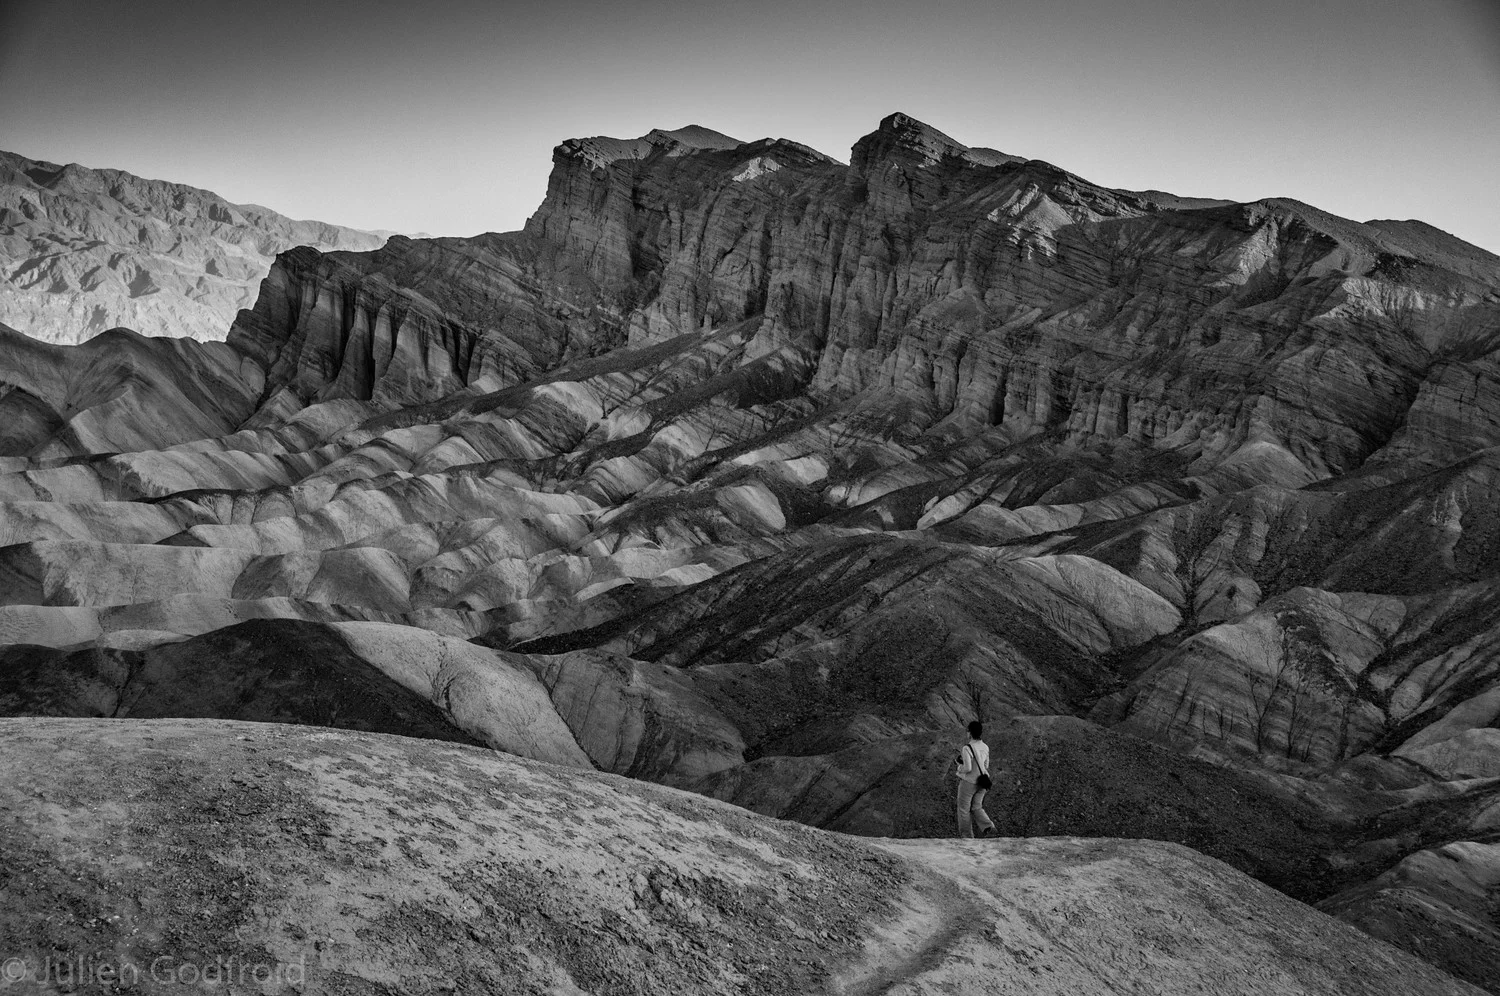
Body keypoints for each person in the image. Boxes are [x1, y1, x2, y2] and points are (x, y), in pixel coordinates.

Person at [954, 720, 996, 838]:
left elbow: (967, 768)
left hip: (969, 782)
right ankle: (988, 827)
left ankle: (967, 837)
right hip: (983, 781)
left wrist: (959, 766)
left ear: (969, 733)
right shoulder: (985, 747)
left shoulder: (967, 748)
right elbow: (986, 765)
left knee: (963, 809)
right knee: (977, 806)